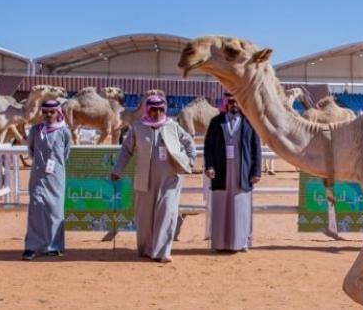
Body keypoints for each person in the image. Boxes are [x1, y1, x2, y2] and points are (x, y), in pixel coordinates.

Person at [111, 96, 195, 262]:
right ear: (147, 110)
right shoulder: (138, 128)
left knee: (167, 211)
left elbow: (189, 143)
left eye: (160, 109)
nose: (157, 113)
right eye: (153, 109)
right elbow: (126, 150)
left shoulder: (173, 126)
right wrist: (117, 170)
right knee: (145, 217)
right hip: (145, 178)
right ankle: (147, 249)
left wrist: (189, 161)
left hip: (170, 178)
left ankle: (162, 252)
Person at [204, 91, 262, 252]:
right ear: (226, 103)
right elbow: (208, 147)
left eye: (237, 102)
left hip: (242, 172)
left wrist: (256, 171)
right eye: (231, 102)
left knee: (240, 208)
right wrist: (209, 166)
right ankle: (219, 244)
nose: (234, 105)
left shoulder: (249, 122)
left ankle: (241, 243)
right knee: (220, 206)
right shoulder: (216, 122)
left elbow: (256, 148)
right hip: (221, 172)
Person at [22, 99, 72, 261]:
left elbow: (65, 154)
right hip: (38, 175)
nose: (48, 115)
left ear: (58, 112)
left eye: (52, 112)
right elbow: (31, 151)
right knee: (36, 208)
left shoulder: (64, 132)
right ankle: (32, 246)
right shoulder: (36, 130)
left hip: (56, 176)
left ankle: (53, 246)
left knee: (54, 210)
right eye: (45, 112)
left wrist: (54, 167)